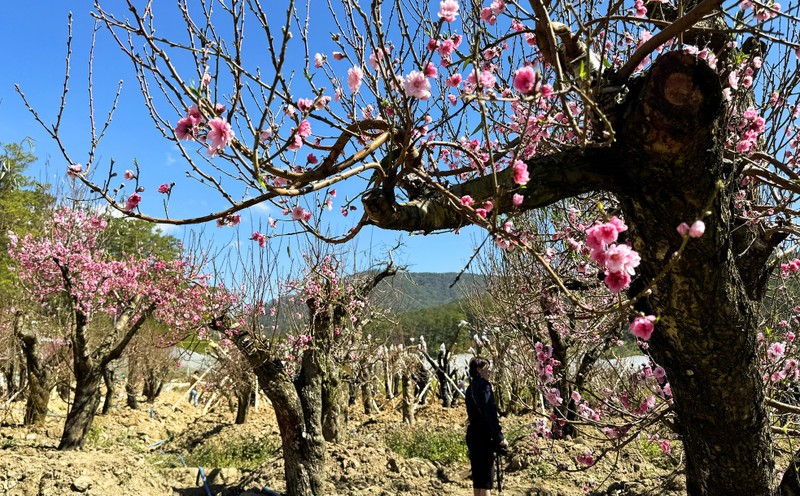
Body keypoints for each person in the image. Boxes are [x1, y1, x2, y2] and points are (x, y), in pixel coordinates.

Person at [465, 357, 508, 496]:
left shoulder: (469, 388)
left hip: (472, 434)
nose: (489, 371)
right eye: (486, 368)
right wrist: (500, 437)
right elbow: (490, 414)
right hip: (484, 435)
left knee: (478, 478)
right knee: (486, 480)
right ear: (478, 369)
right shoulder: (484, 386)